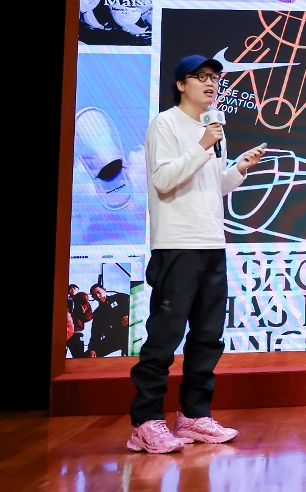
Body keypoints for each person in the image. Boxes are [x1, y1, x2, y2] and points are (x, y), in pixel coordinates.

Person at [125, 54, 266, 455]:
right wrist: (202, 146)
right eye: (200, 77)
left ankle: (193, 415)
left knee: (207, 336)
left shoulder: (212, 129)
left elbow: (210, 187)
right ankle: (145, 422)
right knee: (164, 336)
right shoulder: (166, 124)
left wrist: (238, 169)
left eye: (214, 78)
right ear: (181, 85)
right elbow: (163, 180)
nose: (210, 83)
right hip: (177, 244)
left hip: (211, 243)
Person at [88, 284, 131, 357]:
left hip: (128, 333)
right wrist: (92, 349)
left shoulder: (119, 298)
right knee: (90, 354)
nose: (97, 296)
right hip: (113, 338)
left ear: (104, 290)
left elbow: (136, 303)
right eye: (94, 295)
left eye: (98, 292)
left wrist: (129, 316)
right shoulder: (98, 313)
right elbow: (95, 332)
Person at [67, 291, 93, 359]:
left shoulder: (82, 301)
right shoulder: (65, 301)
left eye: (74, 288)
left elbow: (88, 317)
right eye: (71, 288)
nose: (73, 290)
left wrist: (84, 306)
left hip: (76, 333)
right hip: (63, 332)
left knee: (78, 357)